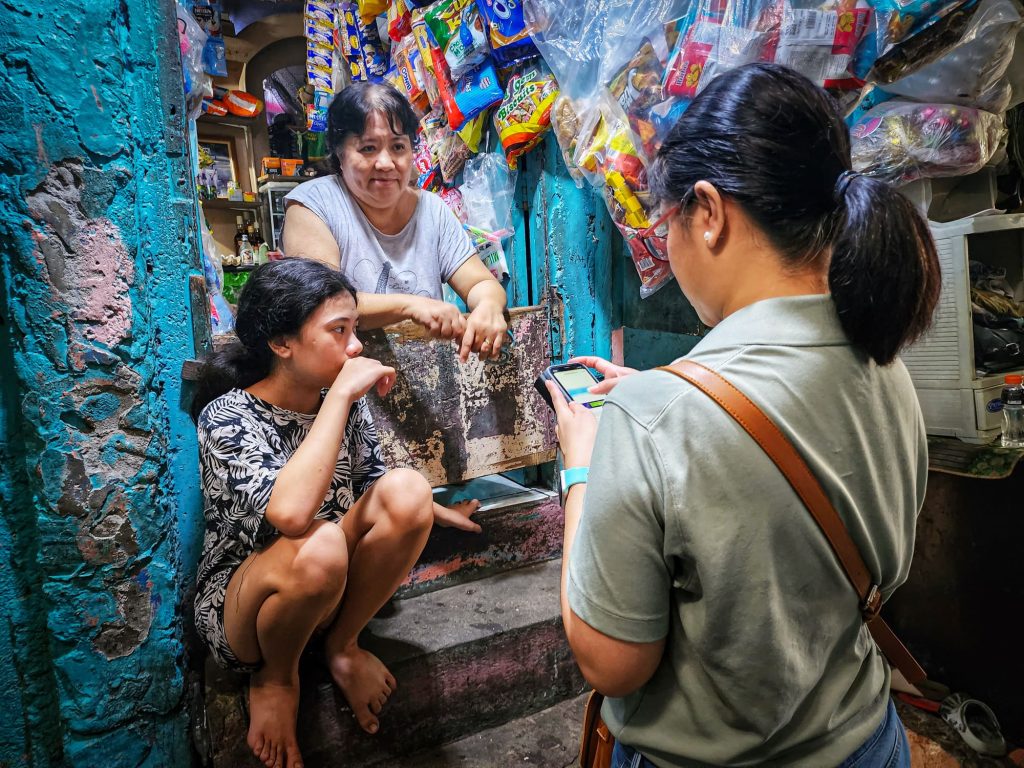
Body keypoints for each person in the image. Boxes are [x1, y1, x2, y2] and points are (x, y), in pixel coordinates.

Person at [546, 63, 940, 768]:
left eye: (666, 222)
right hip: (869, 744)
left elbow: (610, 664)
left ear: (708, 211)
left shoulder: (647, 421)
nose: (666, 245)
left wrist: (584, 465)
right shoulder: (887, 365)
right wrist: (671, 393)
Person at [191, 259, 481, 768]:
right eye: (339, 331)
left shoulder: (339, 400)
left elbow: (374, 484)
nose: (356, 347)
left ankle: (341, 645)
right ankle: (277, 679)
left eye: (355, 329)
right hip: (249, 612)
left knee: (409, 488)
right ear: (281, 344)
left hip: (328, 583)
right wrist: (343, 394)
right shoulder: (228, 416)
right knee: (318, 540)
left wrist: (430, 510)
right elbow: (290, 515)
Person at [282, 81, 507, 363]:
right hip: (344, 389)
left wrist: (488, 306)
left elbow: (478, 283)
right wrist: (410, 306)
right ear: (340, 154)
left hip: (432, 383)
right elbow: (323, 303)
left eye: (398, 146)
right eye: (368, 148)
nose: (386, 163)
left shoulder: (432, 209)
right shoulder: (313, 205)